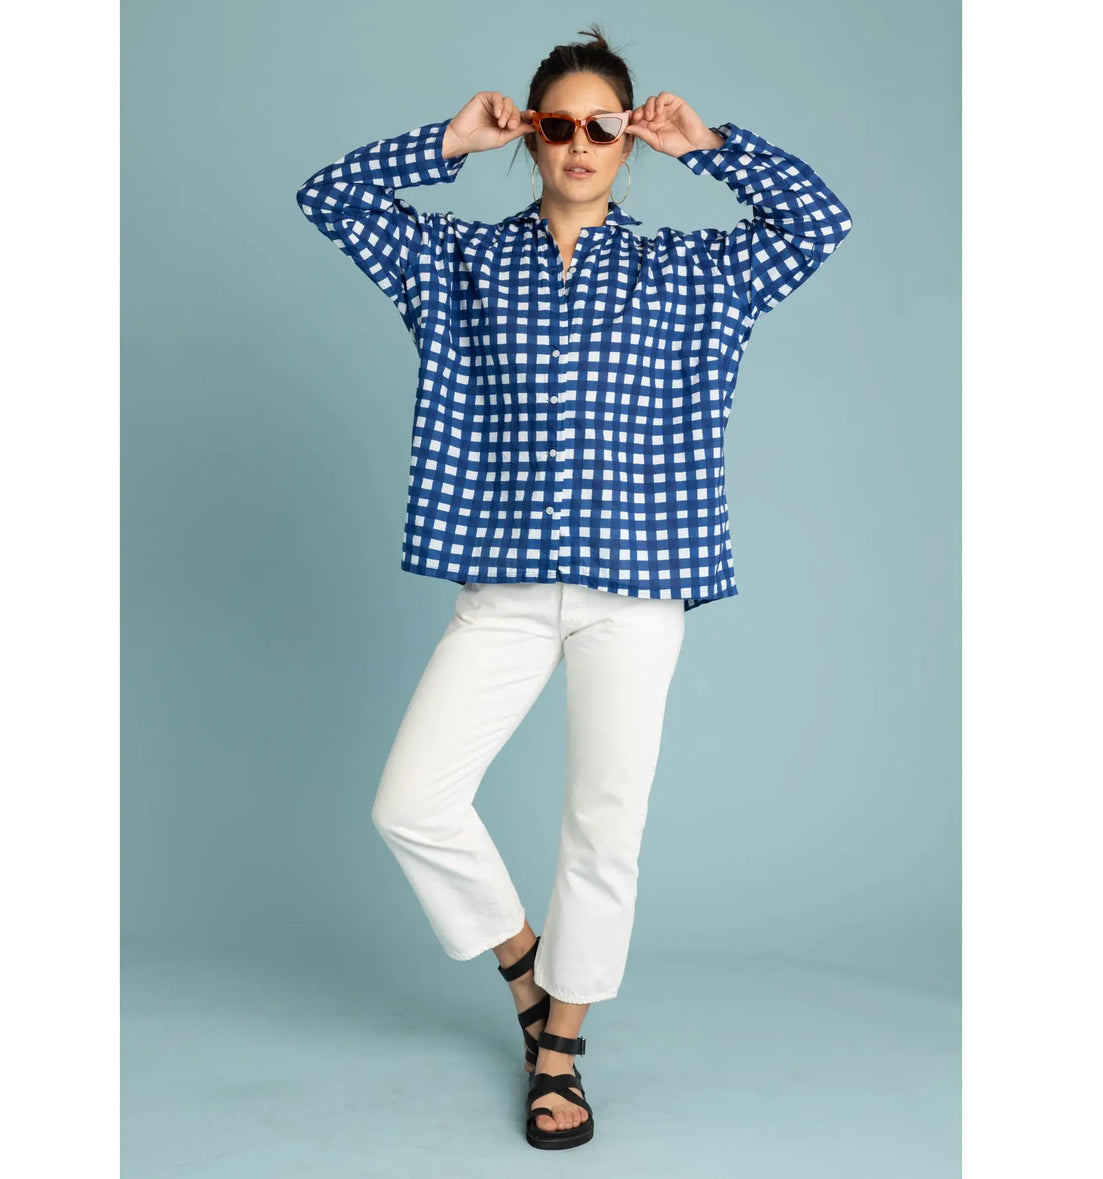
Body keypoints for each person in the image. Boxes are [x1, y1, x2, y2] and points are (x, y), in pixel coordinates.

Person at [295, 25, 852, 1151]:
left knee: (604, 825)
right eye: (560, 124)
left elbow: (817, 223)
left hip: (636, 588)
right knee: (412, 804)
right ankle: (527, 968)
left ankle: (560, 1051)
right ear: (532, 137)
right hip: (502, 586)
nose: (581, 142)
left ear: (628, 142)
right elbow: (330, 198)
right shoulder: (459, 262)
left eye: (604, 125)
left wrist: (713, 147)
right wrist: (447, 140)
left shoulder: (691, 273)